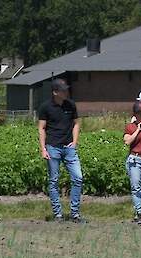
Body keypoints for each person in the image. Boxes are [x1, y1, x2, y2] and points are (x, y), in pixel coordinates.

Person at [38, 79, 85, 222]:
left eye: (66, 89)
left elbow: (76, 124)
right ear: (55, 92)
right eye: (63, 90)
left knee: (78, 178)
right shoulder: (45, 107)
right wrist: (43, 149)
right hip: (53, 147)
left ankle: (74, 213)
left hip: (69, 148)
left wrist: (75, 142)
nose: (66, 92)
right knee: (54, 181)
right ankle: (57, 214)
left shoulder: (71, 105)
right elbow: (41, 128)